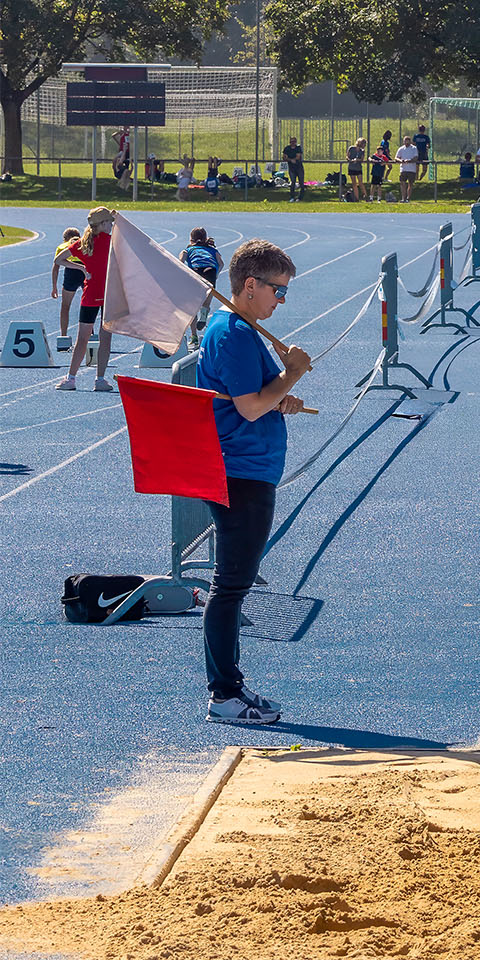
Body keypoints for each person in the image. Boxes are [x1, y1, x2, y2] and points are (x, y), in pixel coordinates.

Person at [198, 238, 312, 725]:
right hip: (239, 469)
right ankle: (224, 694)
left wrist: (279, 396)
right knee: (231, 586)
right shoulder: (235, 333)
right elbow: (248, 406)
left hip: (247, 464)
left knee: (234, 584)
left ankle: (231, 687)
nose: (280, 301)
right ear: (250, 285)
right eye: (278, 291)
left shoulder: (241, 328)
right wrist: (293, 375)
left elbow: (248, 398)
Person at [57, 207, 116, 393]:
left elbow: (59, 259)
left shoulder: (84, 243)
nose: (112, 225)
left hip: (90, 295)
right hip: (109, 295)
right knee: (105, 338)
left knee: (82, 339)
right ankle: (99, 380)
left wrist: (82, 269)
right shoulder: (113, 242)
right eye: (110, 222)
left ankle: (71, 378)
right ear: (103, 224)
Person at [48, 226, 84, 352]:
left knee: (65, 306)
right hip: (85, 272)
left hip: (71, 273)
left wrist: (54, 287)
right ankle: (90, 336)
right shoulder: (85, 244)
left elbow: (56, 268)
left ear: (65, 239)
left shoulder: (62, 247)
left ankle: (63, 335)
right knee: (89, 306)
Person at [395, 134, 420, 202]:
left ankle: (408, 198)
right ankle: (403, 198)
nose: (406, 143)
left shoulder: (414, 148)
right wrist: (401, 161)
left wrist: (410, 160)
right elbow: (396, 158)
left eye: (408, 141)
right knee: (402, 183)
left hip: (411, 169)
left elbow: (416, 157)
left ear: (410, 141)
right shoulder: (401, 149)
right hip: (403, 169)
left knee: (410, 183)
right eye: (405, 141)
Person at [282, 135, 305, 201]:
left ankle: (300, 197)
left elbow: (298, 157)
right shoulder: (287, 148)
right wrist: (291, 160)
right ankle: (292, 197)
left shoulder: (298, 148)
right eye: (291, 141)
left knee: (301, 182)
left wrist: (292, 159)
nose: (293, 143)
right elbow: (284, 157)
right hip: (291, 168)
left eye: (294, 141)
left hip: (299, 167)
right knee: (293, 182)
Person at [347, 137, 367, 202]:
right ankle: (357, 198)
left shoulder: (362, 151)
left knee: (360, 182)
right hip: (351, 167)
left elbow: (362, 159)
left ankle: (366, 196)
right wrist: (351, 160)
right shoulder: (351, 148)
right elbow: (347, 156)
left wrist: (357, 160)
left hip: (358, 168)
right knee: (354, 183)